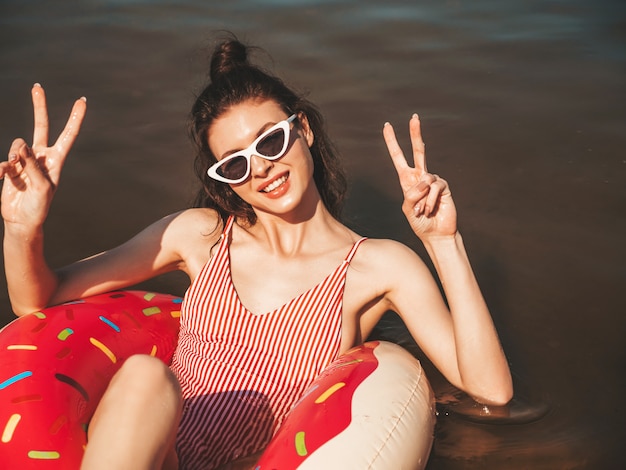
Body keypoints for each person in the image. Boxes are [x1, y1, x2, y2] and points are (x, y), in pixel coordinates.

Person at [0, 38, 513, 470]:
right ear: (223, 181)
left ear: (303, 129)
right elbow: (39, 303)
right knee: (143, 374)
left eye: (271, 142)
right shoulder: (200, 237)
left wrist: (443, 242)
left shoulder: (376, 267)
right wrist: (24, 228)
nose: (261, 169)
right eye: (235, 164)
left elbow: (491, 392)